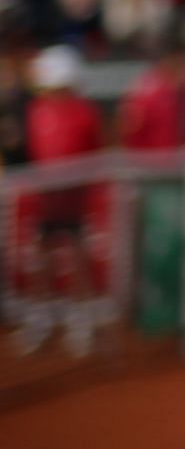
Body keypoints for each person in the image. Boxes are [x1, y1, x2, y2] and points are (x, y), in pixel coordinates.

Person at [15, 46, 106, 356]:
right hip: (45, 200)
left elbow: (95, 151)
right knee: (41, 257)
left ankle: (81, 319)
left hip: (74, 200)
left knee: (78, 256)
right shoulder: (35, 111)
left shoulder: (84, 111)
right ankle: (42, 316)